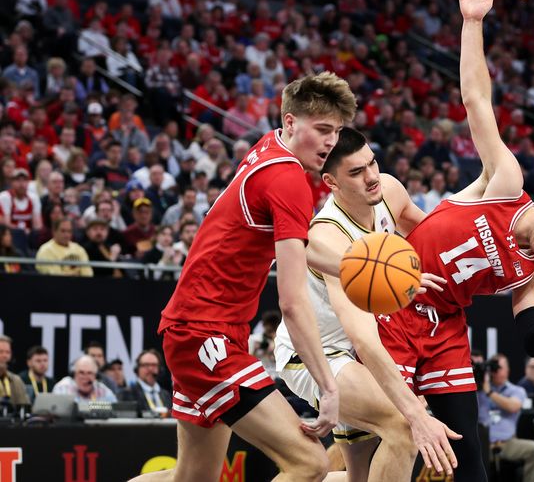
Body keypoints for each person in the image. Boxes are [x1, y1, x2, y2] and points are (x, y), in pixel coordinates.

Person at [373, 0, 534, 481]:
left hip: (444, 329)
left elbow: (530, 340)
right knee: (384, 442)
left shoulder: (531, 272)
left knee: (469, 460)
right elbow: (476, 102)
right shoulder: (506, 183)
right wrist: (472, 24)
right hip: (394, 301)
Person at [130, 72, 356, 482]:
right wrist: (329, 386)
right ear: (290, 122)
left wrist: (356, 266)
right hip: (205, 334)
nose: (331, 142)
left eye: (337, 132)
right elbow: (291, 302)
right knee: (310, 463)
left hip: (198, 329)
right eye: (322, 130)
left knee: (192, 477)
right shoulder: (289, 180)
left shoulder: (268, 147)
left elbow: (301, 246)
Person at [276, 127, 461, 479]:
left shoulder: (389, 190)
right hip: (317, 354)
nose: (372, 177)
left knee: (355, 475)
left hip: (354, 355)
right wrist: (417, 415)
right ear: (331, 182)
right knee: (405, 425)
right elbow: (363, 337)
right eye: (357, 172)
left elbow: (432, 240)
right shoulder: (328, 238)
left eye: (372, 163)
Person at [477, 354, 534, 482]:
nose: (495, 371)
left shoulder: (517, 390)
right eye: (493, 368)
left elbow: (513, 407)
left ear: (508, 370)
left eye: (499, 368)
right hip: (482, 443)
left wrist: (489, 392)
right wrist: (480, 385)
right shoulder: (478, 391)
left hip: (507, 443)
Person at [121, 350, 172, 416]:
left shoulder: (166, 395)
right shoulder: (127, 394)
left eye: (154, 365)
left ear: (160, 369)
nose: (150, 369)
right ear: (137, 369)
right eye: (146, 365)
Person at [53, 355, 117, 404]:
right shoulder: (63, 388)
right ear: (73, 375)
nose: (85, 377)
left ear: (96, 376)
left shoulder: (103, 390)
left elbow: (115, 409)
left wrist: (97, 408)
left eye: (89, 373)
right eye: (81, 372)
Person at [0, 335, 31, 407]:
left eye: (8, 352)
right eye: (0, 352)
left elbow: (25, 407)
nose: (5, 356)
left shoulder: (16, 380)